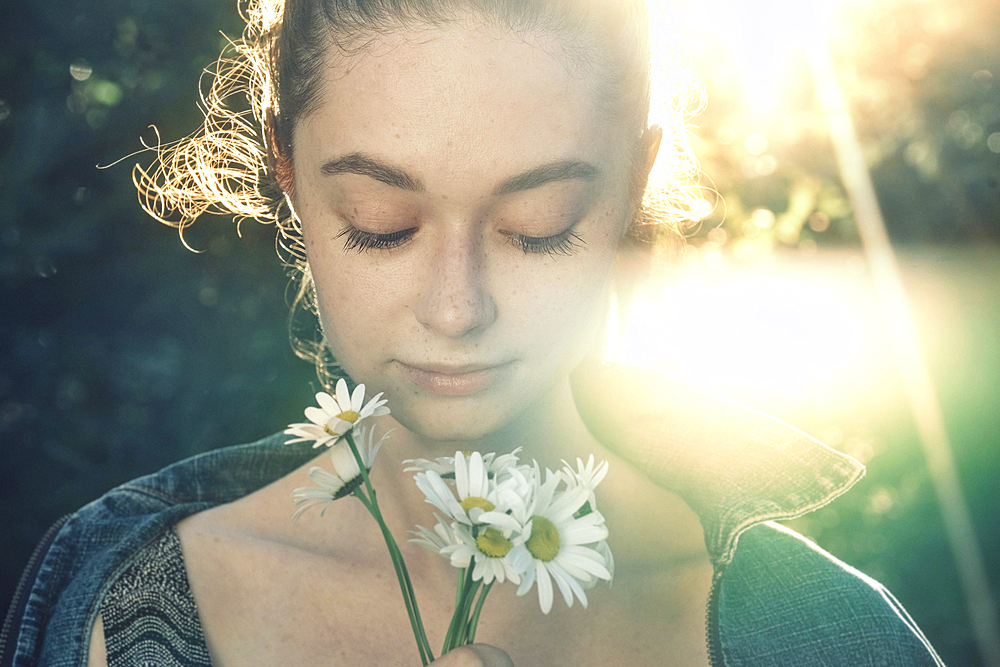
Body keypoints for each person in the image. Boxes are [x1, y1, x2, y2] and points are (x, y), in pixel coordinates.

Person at [4, 0, 946, 665]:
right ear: (287, 173)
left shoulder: (833, 636)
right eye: (382, 222)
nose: (456, 309)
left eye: (539, 226)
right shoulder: (123, 607)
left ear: (629, 187)